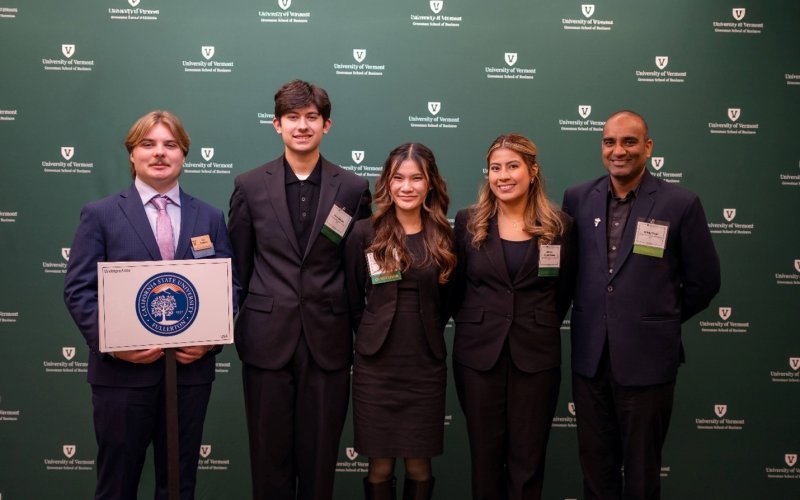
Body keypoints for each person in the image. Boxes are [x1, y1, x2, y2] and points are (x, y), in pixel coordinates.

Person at [63, 110, 238, 499]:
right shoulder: (101, 214)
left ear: (184, 155)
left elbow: (230, 286)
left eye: (170, 145)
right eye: (148, 144)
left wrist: (210, 342)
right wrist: (113, 342)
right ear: (132, 154)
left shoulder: (208, 217)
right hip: (120, 377)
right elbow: (78, 289)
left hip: (190, 376)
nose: (159, 153)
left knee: (178, 485)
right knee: (117, 485)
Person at [561, 110, 721, 499]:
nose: (618, 150)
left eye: (629, 142)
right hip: (590, 360)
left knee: (642, 473)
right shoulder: (578, 198)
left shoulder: (680, 203)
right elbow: (566, 273)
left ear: (647, 147)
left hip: (648, 361)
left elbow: (705, 281)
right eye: (609, 142)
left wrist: (657, 318)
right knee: (596, 469)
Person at [228, 79, 372, 500]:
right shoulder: (250, 186)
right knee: (268, 457)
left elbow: (358, 268)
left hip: (327, 341)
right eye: (293, 117)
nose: (302, 126)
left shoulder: (353, 188)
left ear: (327, 125)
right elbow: (239, 264)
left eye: (312, 117)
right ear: (276, 124)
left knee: (320, 457)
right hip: (265, 340)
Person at [450, 134, 575, 500]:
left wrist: (534, 322)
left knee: (528, 461)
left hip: (536, 358)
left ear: (532, 172)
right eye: (495, 168)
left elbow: (563, 292)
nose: (503, 176)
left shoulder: (561, 226)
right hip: (478, 358)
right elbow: (456, 292)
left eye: (512, 166)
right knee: (485, 460)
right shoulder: (468, 222)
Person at [344, 143, 455, 500]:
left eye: (416, 178)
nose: (407, 187)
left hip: (424, 365)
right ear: (387, 183)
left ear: (430, 183)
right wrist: (373, 331)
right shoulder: (365, 232)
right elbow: (351, 299)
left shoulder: (445, 235)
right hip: (375, 367)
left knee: (420, 464)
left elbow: (451, 301)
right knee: (380, 466)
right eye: (398, 178)